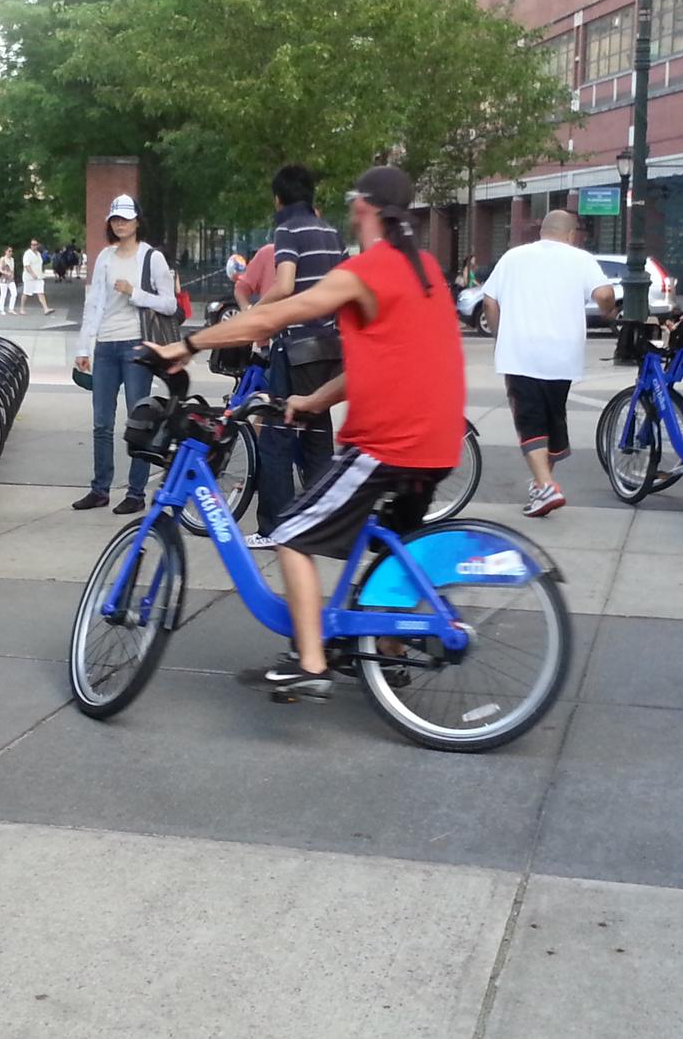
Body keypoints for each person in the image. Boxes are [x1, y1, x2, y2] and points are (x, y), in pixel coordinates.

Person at [145, 165, 465, 699]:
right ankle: (387, 657)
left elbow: (276, 315)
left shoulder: (368, 269)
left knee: (291, 529)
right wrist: (314, 400)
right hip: (437, 441)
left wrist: (189, 345)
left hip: (391, 442)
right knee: (391, 551)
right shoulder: (425, 268)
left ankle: (312, 665)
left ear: (361, 207)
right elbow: (387, 361)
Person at [482, 210, 616, 518]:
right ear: (570, 235)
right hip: (563, 355)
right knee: (552, 419)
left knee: (529, 420)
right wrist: (608, 311)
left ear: (542, 231)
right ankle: (543, 484)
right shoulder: (580, 260)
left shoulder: (513, 257)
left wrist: (500, 336)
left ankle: (545, 486)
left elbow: (489, 300)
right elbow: (605, 294)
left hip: (520, 353)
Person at [247, 164, 345, 548]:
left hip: (295, 345)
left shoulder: (288, 229)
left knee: (275, 437)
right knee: (318, 438)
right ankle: (321, 525)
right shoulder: (331, 232)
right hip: (327, 346)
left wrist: (255, 310)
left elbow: (285, 285)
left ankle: (274, 528)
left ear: (279, 198)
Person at [73, 195, 178, 514]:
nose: (120, 223)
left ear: (137, 222)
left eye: (125, 218)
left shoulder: (152, 258)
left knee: (139, 420)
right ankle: (100, 488)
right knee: (101, 422)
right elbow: (94, 304)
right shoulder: (105, 256)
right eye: (115, 219)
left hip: (136, 344)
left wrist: (136, 294)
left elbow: (170, 304)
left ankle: (135, 492)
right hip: (105, 345)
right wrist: (83, 346)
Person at [232, 242, 276, 312]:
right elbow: (241, 287)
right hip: (268, 320)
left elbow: (284, 289)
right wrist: (247, 310)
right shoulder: (268, 252)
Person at [20, 238, 54, 316]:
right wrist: (32, 274)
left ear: (37, 245)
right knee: (26, 293)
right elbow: (26, 265)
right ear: (30, 245)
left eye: (35, 244)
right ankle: (22, 308)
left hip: (39, 277)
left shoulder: (38, 254)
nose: (34, 246)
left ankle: (46, 309)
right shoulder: (27, 253)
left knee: (40, 292)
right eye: (32, 245)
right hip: (29, 278)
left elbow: (40, 264)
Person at [0, 246, 18, 315]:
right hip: (3, 279)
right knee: (3, 294)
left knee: (14, 293)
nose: (10, 253)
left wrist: (12, 275)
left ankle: (11, 309)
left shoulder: (12, 259)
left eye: (11, 251)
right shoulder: (3, 259)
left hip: (11, 279)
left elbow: (13, 269)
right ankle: (1, 309)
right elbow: (0, 269)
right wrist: (6, 273)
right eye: (9, 251)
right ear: (5, 251)